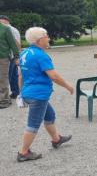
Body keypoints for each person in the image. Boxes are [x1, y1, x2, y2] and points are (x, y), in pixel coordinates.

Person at [17, 27, 74, 162]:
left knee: (49, 115)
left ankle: (56, 139)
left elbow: (20, 75)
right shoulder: (41, 55)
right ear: (39, 40)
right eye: (46, 36)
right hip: (38, 95)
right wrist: (68, 86)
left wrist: (21, 93)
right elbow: (53, 76)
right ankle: (23, 152)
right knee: (33, 124)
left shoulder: (25, 53)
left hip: (29, 92)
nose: (49, 38)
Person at [0, 16, 19, 109]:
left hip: (3, 58)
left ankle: (4, 101)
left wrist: (16, 56)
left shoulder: (5, 29)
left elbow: (13, 44)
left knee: (3, 79)